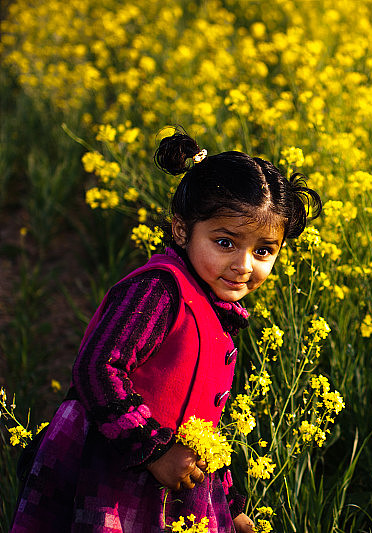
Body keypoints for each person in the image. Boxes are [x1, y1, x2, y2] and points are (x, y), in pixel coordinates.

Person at [11, 128, 322, 532]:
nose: (245, 265)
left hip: (172, 479)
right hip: (111, 472)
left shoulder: (218, 312)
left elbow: (204, 424)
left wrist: (230, 506)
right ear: (181, 230)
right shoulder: (159, 290)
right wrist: (152, 451)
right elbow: (96, 367)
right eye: (225, 243)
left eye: (263, 250)